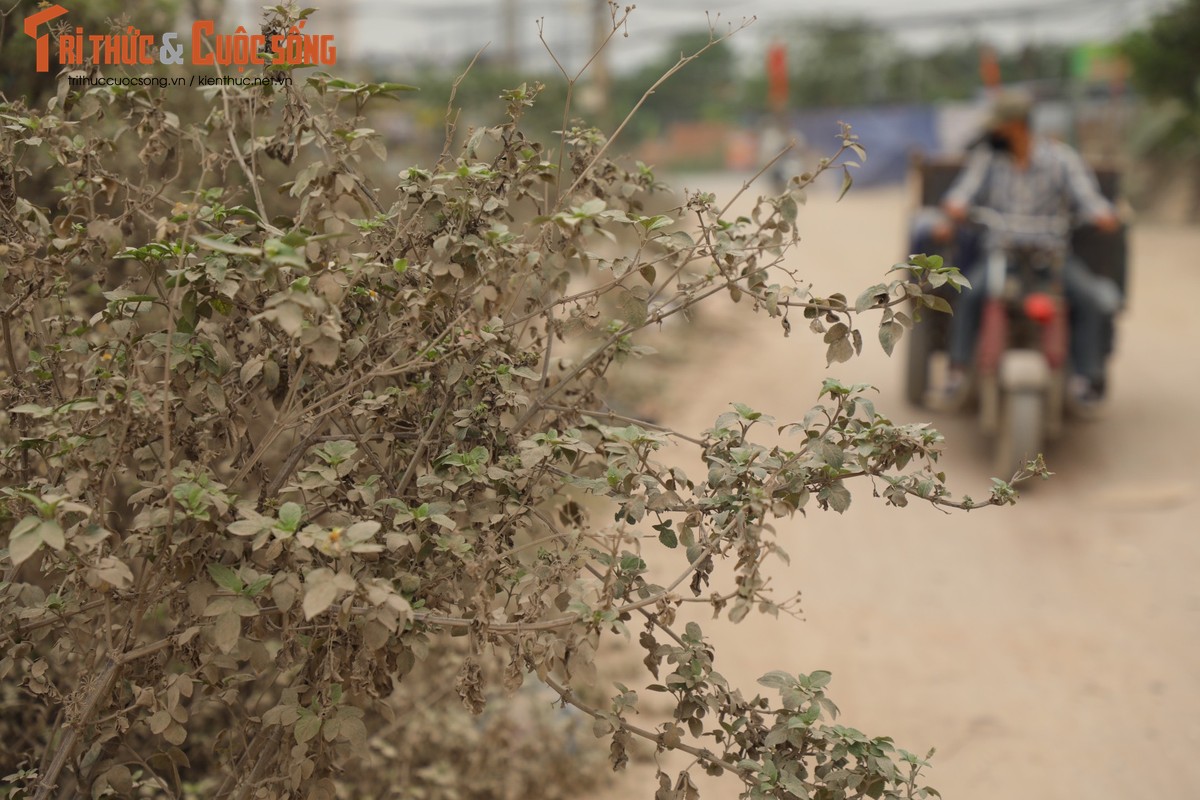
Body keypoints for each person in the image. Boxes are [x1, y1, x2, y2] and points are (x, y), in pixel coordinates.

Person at [933, 89, 1122, 407]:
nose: (993, 131)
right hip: (1001, 257)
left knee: (1088, 299)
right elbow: (960, 195)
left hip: (1053, 259)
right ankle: (958, 370)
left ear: (1017, 125)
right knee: (970, 293)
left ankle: (1085, 378)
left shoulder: (1061, 159)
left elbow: (1089, 199)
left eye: (998, 125)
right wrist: (954, 208)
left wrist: (1102, 215)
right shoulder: (988, 159)